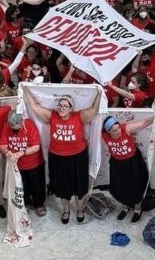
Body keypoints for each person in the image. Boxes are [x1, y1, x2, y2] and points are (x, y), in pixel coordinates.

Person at [23, 92, 100, 224]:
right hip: (58, 159)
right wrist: (24, 88)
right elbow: (35, 106)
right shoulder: (52, 116)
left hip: (78, 158)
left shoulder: (78, 116)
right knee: (63, 186)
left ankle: (80, 209)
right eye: (60, 105)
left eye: (65, 106)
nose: (62, 108)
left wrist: (100, 91)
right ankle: (66, 210)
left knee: (79, 186)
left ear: (71, 108)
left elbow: (93, 109)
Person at [101, 115, 152, 222]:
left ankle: (138, 209)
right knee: (120, 186)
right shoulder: (104, 135)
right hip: (117, 163)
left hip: (132, 162)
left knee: (135, 186)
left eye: (118, 127)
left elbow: (144, 123)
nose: (118, 131)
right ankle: (125, 207)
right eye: (115, 130)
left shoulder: (126, 128)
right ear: (108, 131)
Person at [0, 111, 46, 216]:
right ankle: (27, 203)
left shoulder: (29, 124)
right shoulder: (6, 126)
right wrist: (7, 152)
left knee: (37, 186)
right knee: (22, 186)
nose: (15, 130)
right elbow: (2, 145)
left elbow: (36, 147)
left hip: (34, 163)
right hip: (17, 165)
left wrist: (22, 152)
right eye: (13, 128)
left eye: (17, 128)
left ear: (22, 122)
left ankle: (39, 205)